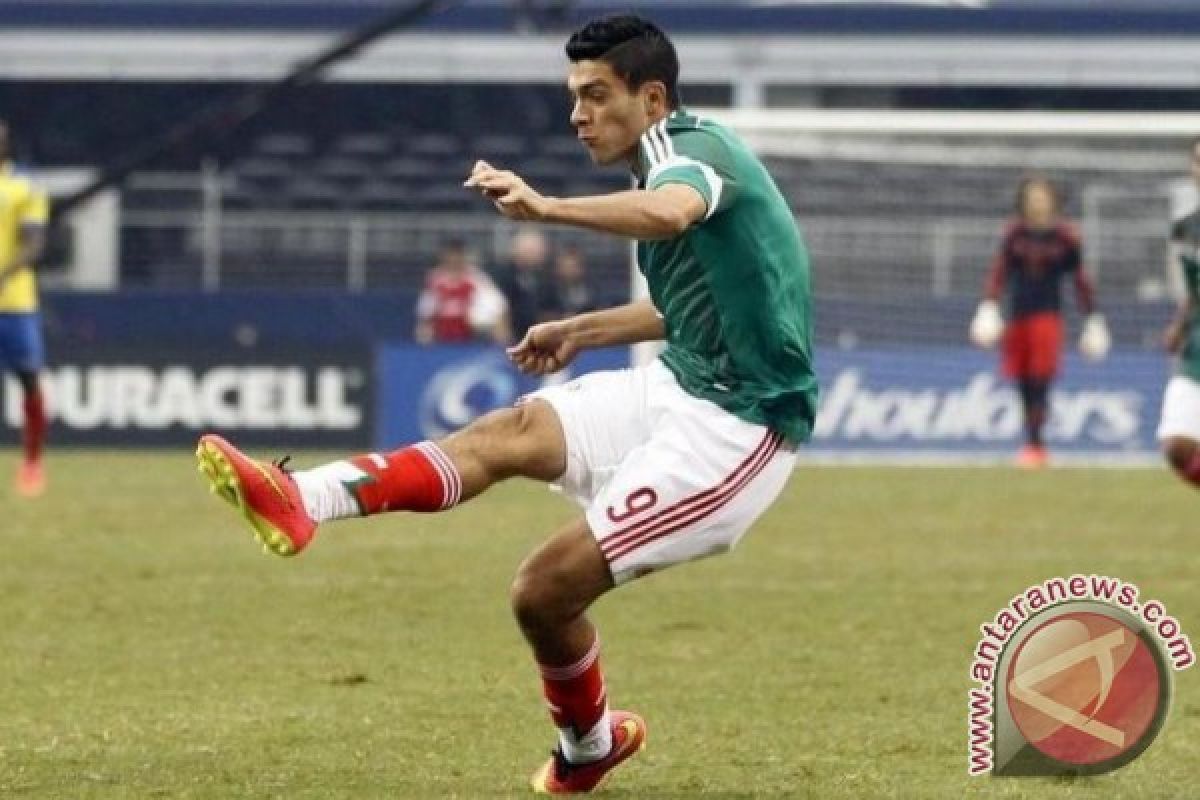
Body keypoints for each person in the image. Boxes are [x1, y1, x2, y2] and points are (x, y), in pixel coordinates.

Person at [196, 14, 816, 795]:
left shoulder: (688, 155)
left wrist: (544, 207)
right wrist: (578, 329)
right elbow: (693, 307)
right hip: (679, 382)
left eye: (596, 94)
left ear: (652, 98)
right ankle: (302, 498)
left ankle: (588, 747)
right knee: (509, 429)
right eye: (573, 96)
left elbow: (669, 214)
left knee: (542, 591)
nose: (577, 113)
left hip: (739, 429)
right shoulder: (658, 167)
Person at [969, 175, 1109, 468]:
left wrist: (1093, 318)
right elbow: (999, 272)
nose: (1037, 202)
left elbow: (1080, 279)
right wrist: (989, 306)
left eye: (1042, 196)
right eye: (1032, 197)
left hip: (1047, 318)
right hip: (1018, 317)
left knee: (1039, 379)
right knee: (1022, 381)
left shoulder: (1065, 238)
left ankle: (1037, 444)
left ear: (1053, 200)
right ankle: (1030, 443)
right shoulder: (1014, 235)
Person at [0, 120, 49, 497]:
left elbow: (33, 245)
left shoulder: (24, 187)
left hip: (14, 303)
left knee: (28, 380)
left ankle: (32, 463)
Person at [1158, 138, 1200, 487]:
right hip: (1197, 344)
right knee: (1176, 445)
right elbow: (1194, 290)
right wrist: (1180, 325)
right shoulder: (1186, 229)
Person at [414, 239, 509, 345]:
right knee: (424, 331)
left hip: (470, 333)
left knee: (496, 324)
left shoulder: (476, 278)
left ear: (463, 257)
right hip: (441, 333)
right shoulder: (435, 279)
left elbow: (498, 306)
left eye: (457, 255)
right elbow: (424, 313)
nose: (453, 259)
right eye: (450, 255)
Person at [493, 226, 558, 341]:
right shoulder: (504, 275)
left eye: (537, 252)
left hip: (538, 334)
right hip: (511, 333)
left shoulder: (546, 278)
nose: (535, 256)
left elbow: (552, 308)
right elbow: (498, 307)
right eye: (530, 251)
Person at [550, 244, 597, 317]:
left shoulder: (592, 289)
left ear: (581, 268)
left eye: (573, 266)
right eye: (566, 267)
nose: (570, 271)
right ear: (558, 268)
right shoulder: (548, 291)